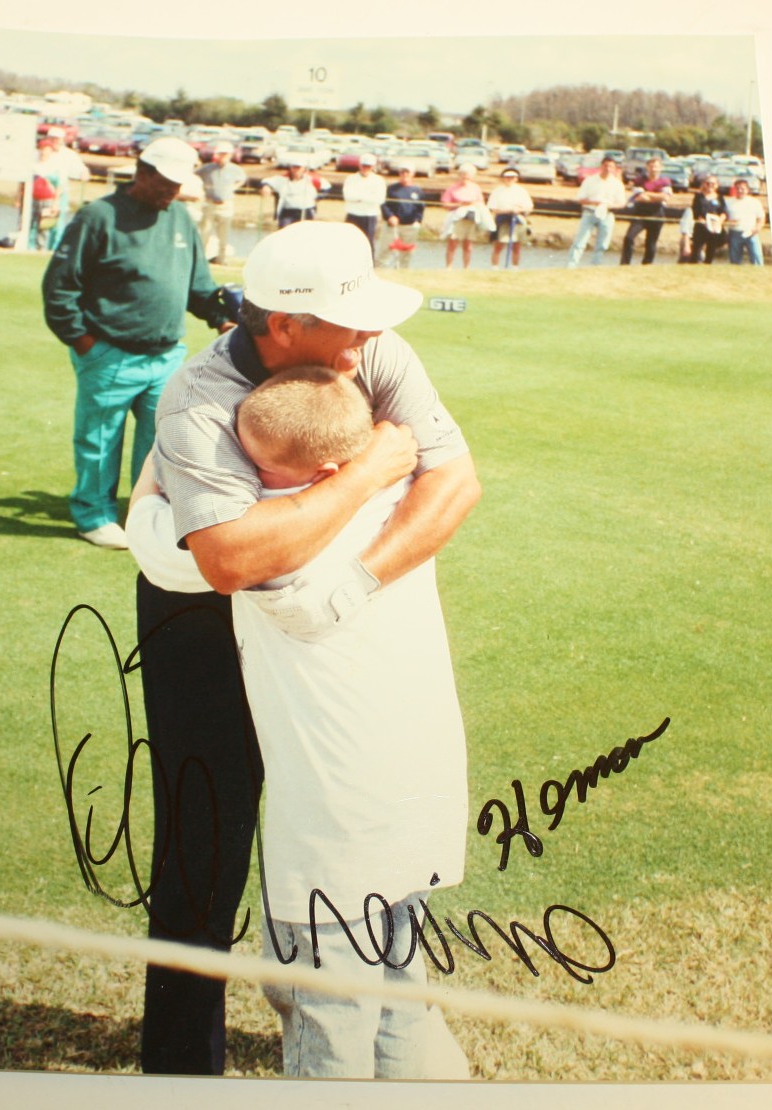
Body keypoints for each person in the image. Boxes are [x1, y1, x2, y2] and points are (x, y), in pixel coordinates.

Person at [131, 219, 480, 1076]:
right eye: (346, 320)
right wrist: (367, 473)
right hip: (197, 611)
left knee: (354, 805)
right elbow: (229, 559)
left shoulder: (375, 351)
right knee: (205, 842)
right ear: (282, 326)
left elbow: (455, 479)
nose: (367, 337)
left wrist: (350, 585)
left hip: (322, 590)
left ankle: (363, 1010)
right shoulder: (197, 396)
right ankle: (180, 1070)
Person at [41, 137, 234, 549]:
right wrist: (83, 341)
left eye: (178, 184)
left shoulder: (180, 218)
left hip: (166, 354)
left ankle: (146, 515)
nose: (173, 191)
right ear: (142, 172)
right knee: (99, 438)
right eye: (165, 182)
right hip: (109, 351)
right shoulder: (99, 216)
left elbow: (198, 286)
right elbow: (60, 287)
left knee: (161, 441)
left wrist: (221, 318)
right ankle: (93, 515)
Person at [566, 155, 627, 268]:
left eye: (610, 166)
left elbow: (622, 203)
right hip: (590, 213)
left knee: (603, 243)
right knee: (580, 241)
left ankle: (596, 265)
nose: (607, 168)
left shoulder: (617, 184)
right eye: (605, 166)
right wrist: (595, 203)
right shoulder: (590, 180)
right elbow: (580, 199)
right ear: (601, 166)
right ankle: (571, 266)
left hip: (607, 215)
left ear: (614, 168)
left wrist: (609, 205)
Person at [197, 141, 247, 262]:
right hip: (210, 204)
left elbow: (242, 179)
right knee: (205, 233)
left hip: (226, 205)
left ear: (230, 155)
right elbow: (195, 174)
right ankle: (200, 259)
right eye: (220, 154)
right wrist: (203, 187)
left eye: (225, 154)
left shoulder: (236, 169)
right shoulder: (208, 168)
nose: (222, 157)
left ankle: (221, 259)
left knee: (223, 235)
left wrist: (233, 188)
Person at [619, 157, 672, 265]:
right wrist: (657, 196)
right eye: (651, 166)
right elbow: (640, 197)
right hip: (640, 213)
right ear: (647, 167)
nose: (653, 169)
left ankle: (646, 265)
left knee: (651, 243)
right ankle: (625, 263)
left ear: (660, 168)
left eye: (656, 166)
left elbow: (666, 197)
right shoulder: (639, 180)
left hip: (657, 214)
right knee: (629, 238)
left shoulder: (665, 181)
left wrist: (648, 194)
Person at [45, 126, 90, 250]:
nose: (54, 141)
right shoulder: (43, 151)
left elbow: (80, 169)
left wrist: (84, 172)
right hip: (42, 190)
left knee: (58, 223)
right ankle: (33, 247)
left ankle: (53, 248)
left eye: (57, 139)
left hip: (60, 191)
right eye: (52, 138)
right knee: (39, 221)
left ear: (62, 140)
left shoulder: (68, 154)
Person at [441, 163, 489, 269]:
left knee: (468, 245)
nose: (465, 178)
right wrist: (459, 204)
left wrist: (472, 204)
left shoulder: (476, 188)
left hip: (471, 218)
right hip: (456, 218)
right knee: (452, 243)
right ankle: (449, 267)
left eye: (467, 176)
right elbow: (445, 204)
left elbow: (481, 204)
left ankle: (466, 268)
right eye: (462, 175)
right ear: (459, 175)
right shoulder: (452, 188)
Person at [261, 157, 330, 227]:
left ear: (304, 169)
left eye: (299, 168)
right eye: (294, 167)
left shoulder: (312, 179)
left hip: (307, 211)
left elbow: (326, 186)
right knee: (285, 232)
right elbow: (266, 181)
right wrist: (266, 187)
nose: (296, 170)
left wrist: (318, 198)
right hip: (287, 212)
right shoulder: (282, 179)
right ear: (290, 168)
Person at [379, 163, 425, 268]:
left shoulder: (417, 191)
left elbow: (421, 208)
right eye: (402, 172)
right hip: (392, 225)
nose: (404, 174)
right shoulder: (391, 189)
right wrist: (390, 216)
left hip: (409, 227)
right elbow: (384, 205)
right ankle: (380, 271)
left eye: (407, 172)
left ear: (412, 174)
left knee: (407, 253)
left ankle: (402, 273)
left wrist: (417, 221)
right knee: (385, 250)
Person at [341, 152, 387, 256]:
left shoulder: (379, 180)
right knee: (348, 242)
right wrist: (368, 197)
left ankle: (369, 268)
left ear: (373, 166)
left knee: (368, 243)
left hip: (369, 216)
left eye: (369, 166)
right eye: (364, 165)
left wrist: (358, 197)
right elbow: (348, 196)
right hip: (353, 214)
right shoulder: (350, 179)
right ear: (359, 165)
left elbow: (380, 199)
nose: (366, 168)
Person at [487, 166, 533, 269]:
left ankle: (514, 267)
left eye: (512, 177)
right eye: (507, 177)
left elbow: (529, 207)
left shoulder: (522, 191)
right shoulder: (497, 191)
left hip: (518, 220)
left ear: (516, 178)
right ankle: (495, 267)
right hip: (502, 219)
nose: (509, 179)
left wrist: (519, 210)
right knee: (499, 244)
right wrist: (508, 211)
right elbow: (493, 208)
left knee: (516, 245)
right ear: (503, 178)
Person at [28, 139, 65, 251]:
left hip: (47, 200)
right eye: (42, 149)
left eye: (47, 150)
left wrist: (55, 203)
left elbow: (59, 187)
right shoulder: (33, 165)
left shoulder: (55, 167)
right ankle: (28, 247)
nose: (44, 152)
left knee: (43, 226)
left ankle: (41, 248)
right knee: (29, 223)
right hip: (32, 199)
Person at [724, 178, 766, 265]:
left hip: (751, 232)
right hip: (734, 233)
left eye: (742, 188)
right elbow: (724, 217)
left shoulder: (754, 202)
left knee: (756, 257)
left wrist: (757, 228)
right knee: (735, 260)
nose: (740, 190)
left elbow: (761, 218)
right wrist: (729, 221)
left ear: (747, 190)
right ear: (734, 189)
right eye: (737, 188)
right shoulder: (728, 202)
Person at [688, 174, 727, 264]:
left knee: (711, 250)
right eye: (708, 183)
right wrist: (702, 220)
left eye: (713, 184)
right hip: (701, 226)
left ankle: (707, 266)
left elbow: (723, 212)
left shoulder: (720, 198)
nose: (710, 186)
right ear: (704, 184)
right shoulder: (698, 197)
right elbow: (695, 211)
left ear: (717, 185)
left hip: (714, 227)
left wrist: (719, 222)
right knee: (696, 250)